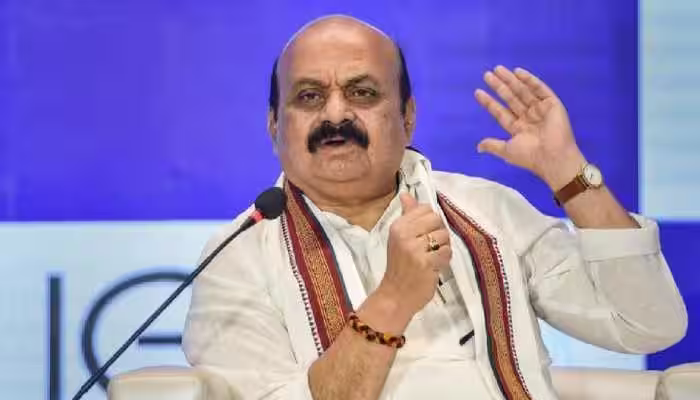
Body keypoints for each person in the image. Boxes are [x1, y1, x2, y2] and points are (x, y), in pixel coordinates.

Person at [182, 15, 687, 400]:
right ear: (274, 124)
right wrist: (393, 299)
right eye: (309, 96)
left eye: (362, 93)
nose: (336, 113)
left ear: (407, 116)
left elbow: (647, 325)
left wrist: (571, 177)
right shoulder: (239, 258)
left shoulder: (488, 211)